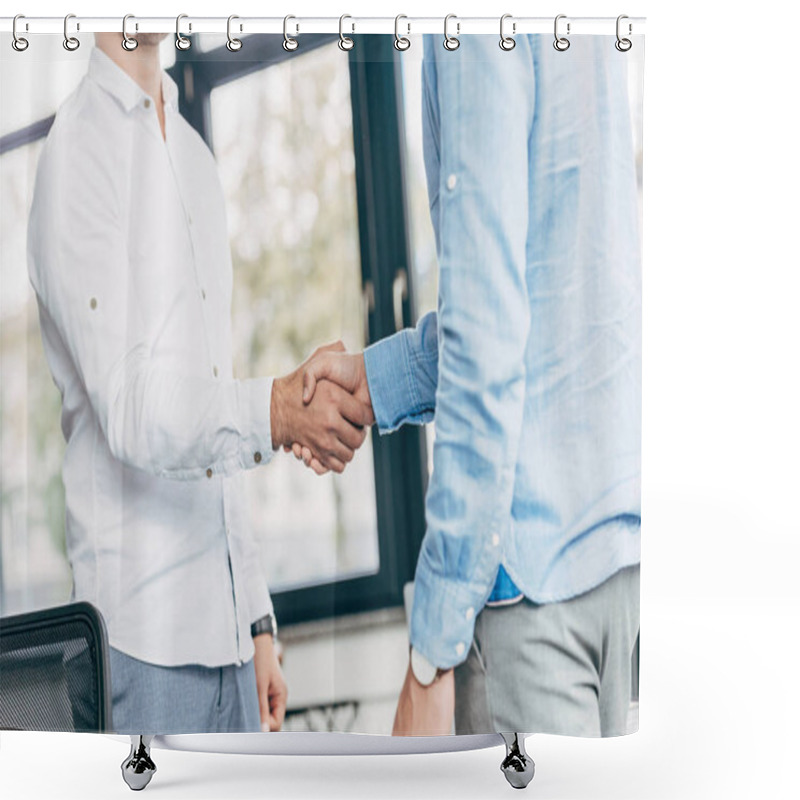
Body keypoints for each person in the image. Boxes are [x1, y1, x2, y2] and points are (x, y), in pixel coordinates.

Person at [297, 33, 641, 737]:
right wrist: (375, 379)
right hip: (622, 563)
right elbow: (545, 306)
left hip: (530, 597)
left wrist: (432, 652)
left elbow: (486, 343)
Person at [27, 32, 371, 734]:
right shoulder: (78, 153)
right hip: (138, 646)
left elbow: (216, 394)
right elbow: (131, 408)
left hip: (231, 649)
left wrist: (258, 621)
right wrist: (276, 410)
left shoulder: (192, 156)